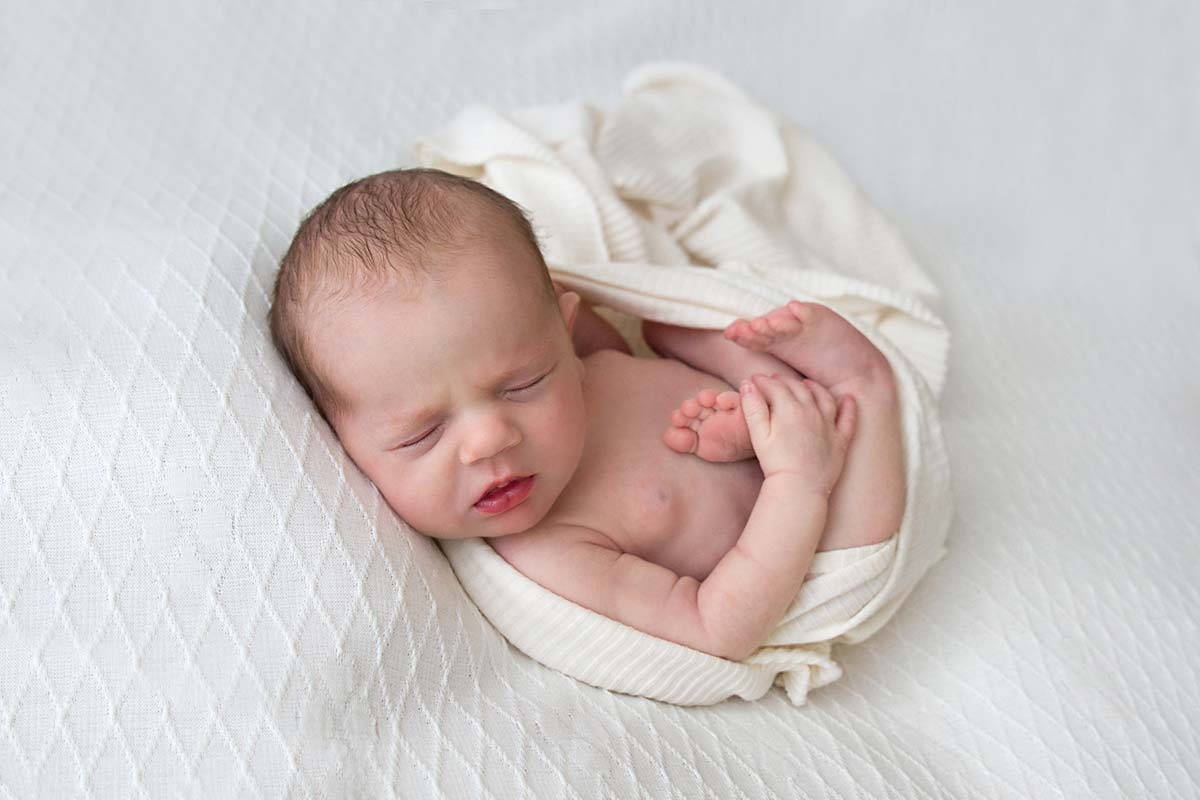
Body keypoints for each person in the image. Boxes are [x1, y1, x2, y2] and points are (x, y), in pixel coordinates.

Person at [269, 168, 904, 662]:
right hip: (810, 538)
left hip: (767, 432)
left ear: (565, 337)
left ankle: (763, 395)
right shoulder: (551, 549)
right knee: (867, 439)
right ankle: (859, 378)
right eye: (422, 434)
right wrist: (798, 483)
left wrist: (745, 416)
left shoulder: (587, 360)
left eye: (522, 383)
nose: (490, 438)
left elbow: (615, 338)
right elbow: (717, 627)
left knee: (667, 327)